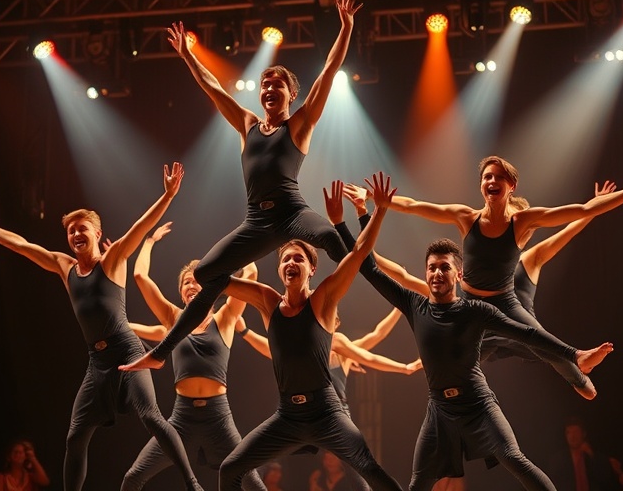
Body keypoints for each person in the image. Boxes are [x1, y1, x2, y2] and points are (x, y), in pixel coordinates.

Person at [120, 0, 363, 373]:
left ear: (291, 94)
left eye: (277, 85)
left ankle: (346, 300)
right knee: (204, 274)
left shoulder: (300, 124)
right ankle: (163, 352)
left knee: (342, 247)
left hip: (294, 213)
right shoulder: (247, 124)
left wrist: (346, 27)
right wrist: (187, 55)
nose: (268, 89)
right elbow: (213, 88)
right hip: (258, 222)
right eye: (265, 84)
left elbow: (329, 69)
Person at [0, 162, 204, 491]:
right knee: (75, 437)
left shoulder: (112, 261)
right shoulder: (64, 266)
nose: (75, 235)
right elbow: (22, 245)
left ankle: (193, 485)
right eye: (71, 231)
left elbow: (140, 228)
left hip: (127, 352)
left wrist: (167, 195)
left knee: (153, 418)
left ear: (97, 234)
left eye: (82, 229)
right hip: (96, 363)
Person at [328, 197, 614, 491]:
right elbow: (369, 266)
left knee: (514, 458)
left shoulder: (477, 310)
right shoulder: (415, 304)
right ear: (427, 274)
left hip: (478, 403)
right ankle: (576, 374)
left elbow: (527, 334)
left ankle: (577, 375)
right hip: (440, 408)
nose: (437, 273)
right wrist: (346, 221)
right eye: (432, 268)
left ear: (459, 275)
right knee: (419, 483)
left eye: (444, 268)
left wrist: (574, 353)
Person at [343, 156, 623, 400]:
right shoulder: (466, 217)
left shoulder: (524, 223)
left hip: (504, 302)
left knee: (535, 336)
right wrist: (373, 199)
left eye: (499, 179)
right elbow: (415, 206)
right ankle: (459, 401)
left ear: (511, 187)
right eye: (487, 177)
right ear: (481, 185)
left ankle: (577, 363)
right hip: (471, 302)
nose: (491, 182)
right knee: (467, 355)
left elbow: (582, 212)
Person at [213, 174, 403, 491]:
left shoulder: (324, 299)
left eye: (298, 258)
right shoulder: (266, 300)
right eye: (285, 258)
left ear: (311, 269)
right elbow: (216, 277)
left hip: (327, 413)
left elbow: (358, 253)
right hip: (288, 415)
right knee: (230, 468)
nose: (291, 262)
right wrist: (249, 238)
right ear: (279, 269)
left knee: (370, 470)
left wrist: (378, 211)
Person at [119, 223, 266, 491]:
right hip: (181, 418)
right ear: (181, 292)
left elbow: (252, 272)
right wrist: (150, 241)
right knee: (132, 478)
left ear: (211, 287)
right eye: (186, 282)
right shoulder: (173, 319)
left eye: (198, 281)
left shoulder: (225, 318)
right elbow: (140, 276)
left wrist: (242, 241)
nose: (191, 285)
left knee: (254, 484)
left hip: (219, 417)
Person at [236, 307, 420, 491]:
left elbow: (376, 339)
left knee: (359, 469)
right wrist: (245, 332)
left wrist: (404, 365)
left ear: (335, 323)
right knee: (261, 458)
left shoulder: (341, 347)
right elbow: (272, 350)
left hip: (335, 418)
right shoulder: (304, 349)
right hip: (305, 415)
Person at [545, 416, 619, 491]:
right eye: (569, 432)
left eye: (576, 432)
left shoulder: (593, 457)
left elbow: (604, 477)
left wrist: (591, 455)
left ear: (583, 434)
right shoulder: (558, 460)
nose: (572, 436)